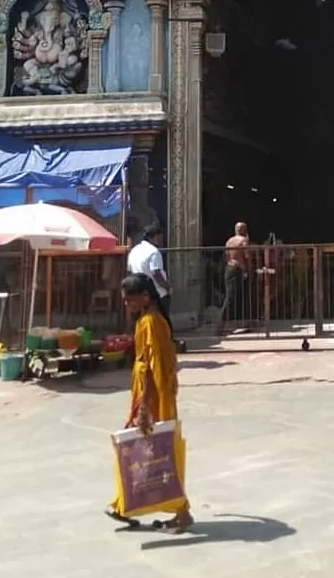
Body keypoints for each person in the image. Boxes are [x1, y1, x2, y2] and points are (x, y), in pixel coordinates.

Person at [107, 274, 193, 532]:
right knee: (137, 451)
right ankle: (123, 504)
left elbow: (153, 368)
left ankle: (182, 511)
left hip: (154, 399)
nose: (126, 305)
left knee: (158, 452)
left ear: (145, 297)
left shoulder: (151, 323)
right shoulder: (148, 321)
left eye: (129, 300)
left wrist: (144, 407)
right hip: (148, 396)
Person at [127, 226, 172, 318]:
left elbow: (129, 270)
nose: (161, 240)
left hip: (139, 292)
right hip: (157, 293)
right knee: (160, 321)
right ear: (152, 238)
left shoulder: (134, 250)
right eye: (159, 237)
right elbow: (156, 273)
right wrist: (167, 286)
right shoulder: (154, 252)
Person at [220, 222, 250, 332]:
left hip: (229, 268)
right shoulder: (243, 241)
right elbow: (246, 256)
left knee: (234, 296)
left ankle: (238, 323)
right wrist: (247, 269)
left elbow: (225, 256)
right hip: (239, 269)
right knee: (232, 298)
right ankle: (221, 325)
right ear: (244, 230)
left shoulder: (229, 241)